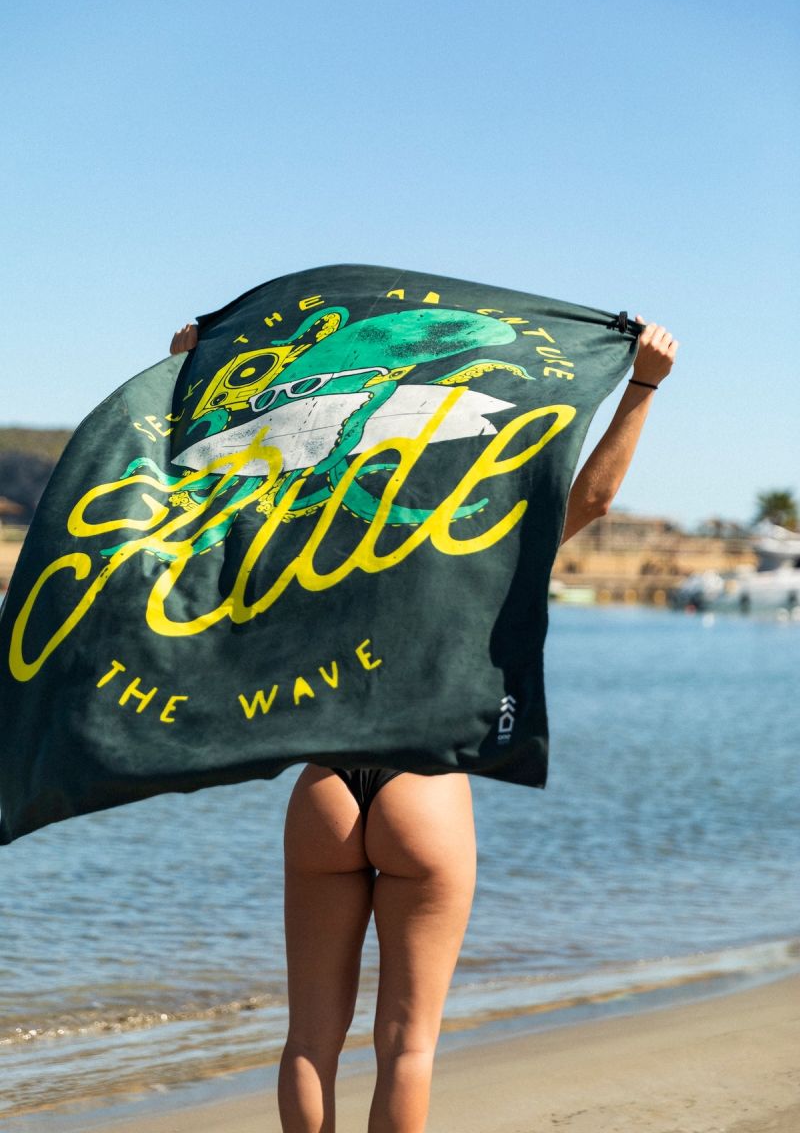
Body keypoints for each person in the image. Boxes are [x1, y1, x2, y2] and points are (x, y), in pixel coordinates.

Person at [170, 313, 678, 1133]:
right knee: (408, 1046)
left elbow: (199, 494)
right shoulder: (479, 542)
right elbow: (594, 497)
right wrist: (642, 386)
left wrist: (190, 379)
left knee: (308, 1042)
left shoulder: (311, 535)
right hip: (423, 788)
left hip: (326, 789)